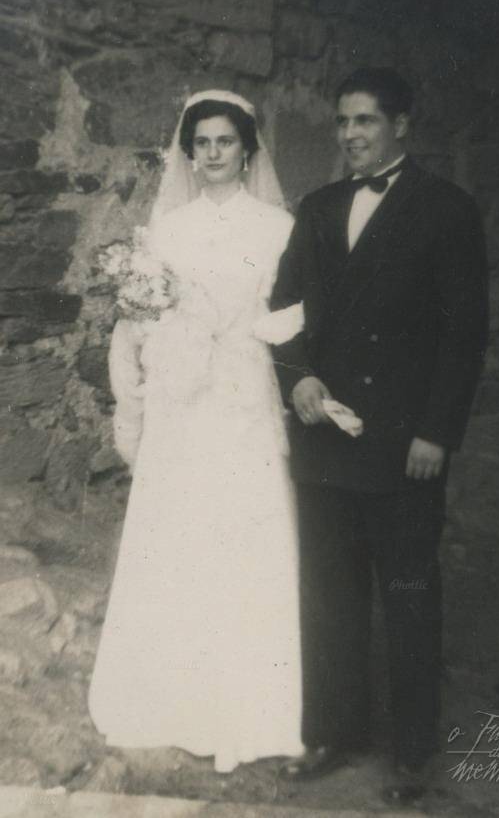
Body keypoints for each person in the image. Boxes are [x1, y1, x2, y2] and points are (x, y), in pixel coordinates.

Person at [270, 67, 489, 802]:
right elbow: (283, 307)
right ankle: (335, 732)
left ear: (401, 125)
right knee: (329, 595)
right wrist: (297, 377)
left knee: (407, 593)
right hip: (324, 435)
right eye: (342, 122)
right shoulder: (319, 206)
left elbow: (463, 335)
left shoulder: (447, 210)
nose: (350, 134)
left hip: (403, 445)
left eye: (364, 120)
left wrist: (437, 432)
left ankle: (412, 752)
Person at [89, 90, 303, 774]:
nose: (212, 154)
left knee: (241, 533)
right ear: (189, 153)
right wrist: (139, 400)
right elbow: (138, 323)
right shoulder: (168, 230)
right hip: (183, 401)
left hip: (241, 394)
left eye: (225, 142)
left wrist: (254, 334)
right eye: (202, 143)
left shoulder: (277, 227)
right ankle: (171, 697)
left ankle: (249, 707)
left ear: (247, 149)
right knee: (180, 533)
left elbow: (295, 312)